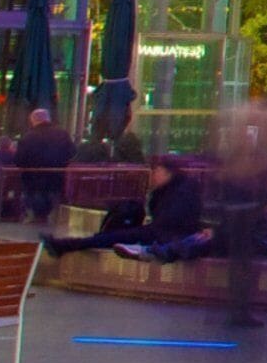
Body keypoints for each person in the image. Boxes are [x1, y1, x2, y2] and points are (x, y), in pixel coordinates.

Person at [51, 154, 205, 258]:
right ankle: (69, 245)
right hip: (161, 233)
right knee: (115, 236)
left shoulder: (183, 192)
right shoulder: (172, 190)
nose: (153, 175)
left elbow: (170, 219)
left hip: (165, 235)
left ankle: (67, 245)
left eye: (157, 171)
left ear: (168, 172)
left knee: (119, 236)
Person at [13, 107, 74, 234]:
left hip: (33, 180)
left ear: (33, 120)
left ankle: (32, 234)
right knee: (53, 207)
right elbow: (72, 152)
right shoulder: (62, 134)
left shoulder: (28, 137)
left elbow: (19, 160)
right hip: (57, 177)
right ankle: (53, 230)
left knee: (35, 210)